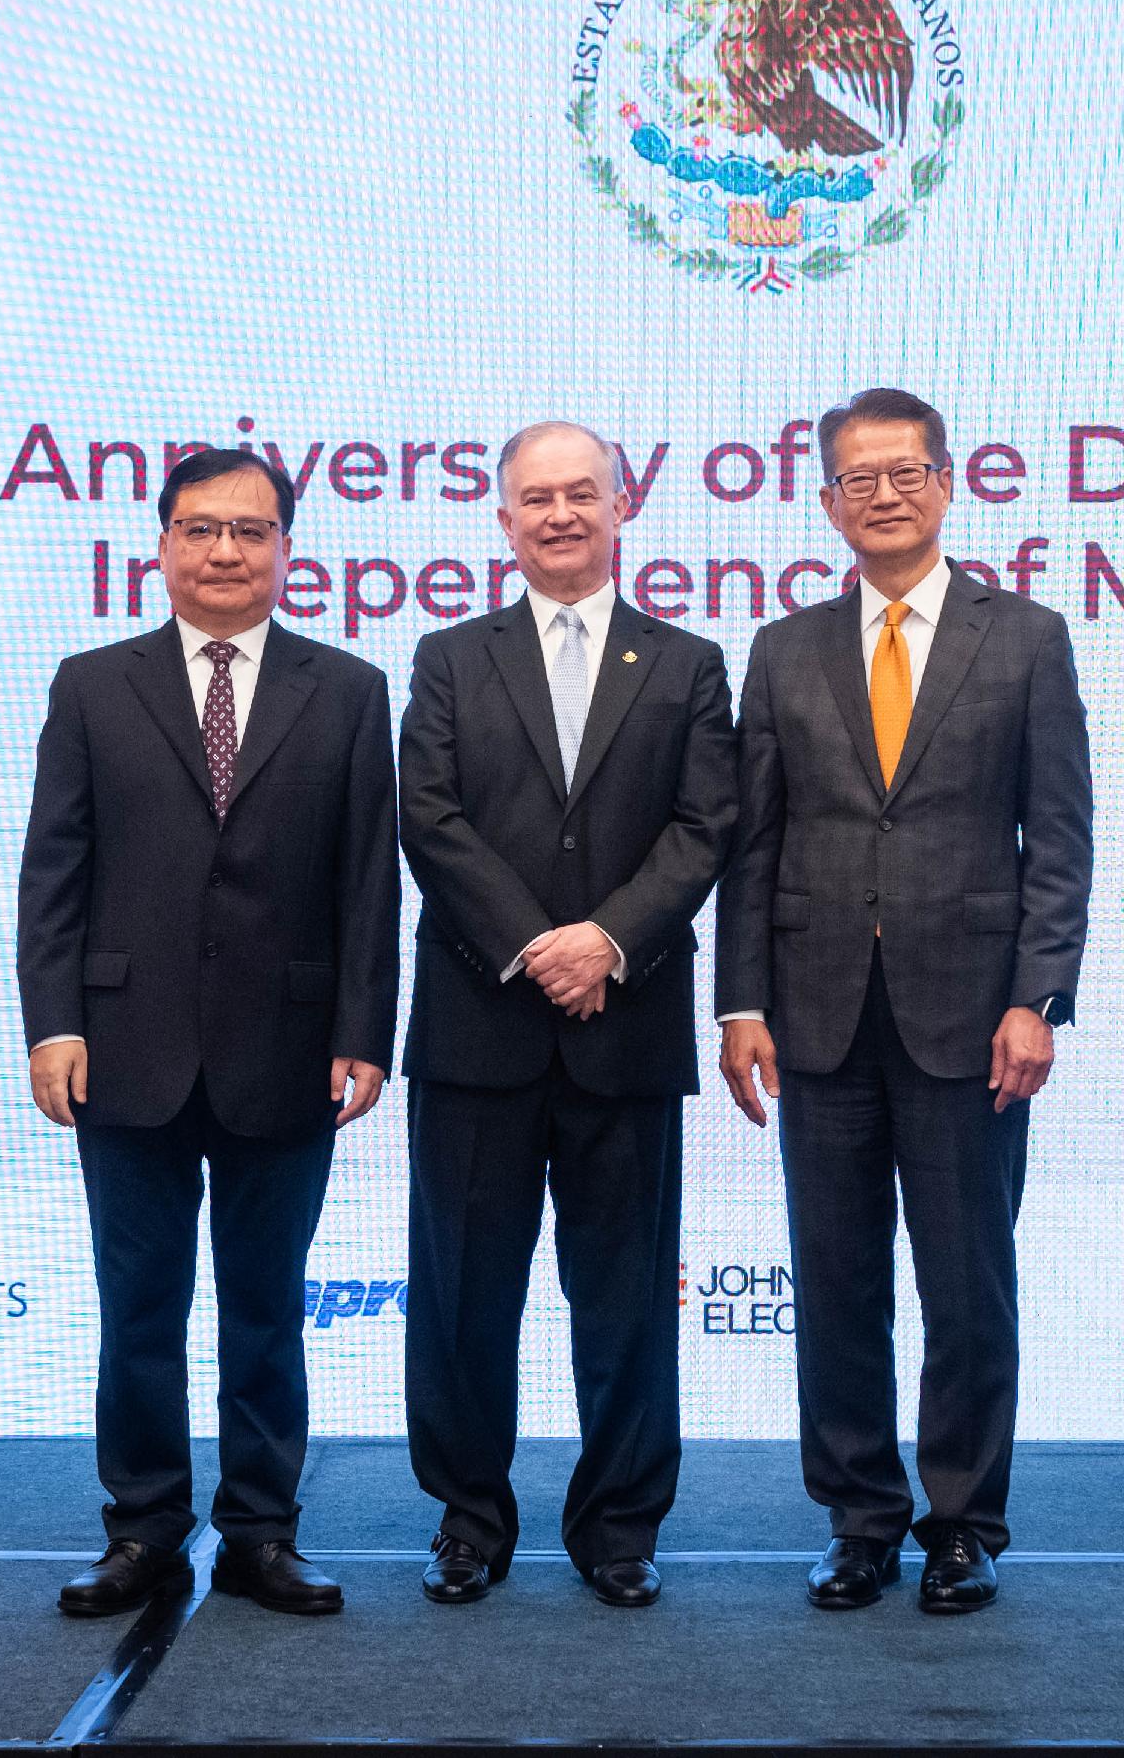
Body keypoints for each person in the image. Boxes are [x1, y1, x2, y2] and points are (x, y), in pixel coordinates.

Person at [718, 387, 1091, 1617]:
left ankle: (962, 1523)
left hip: (970, 1018)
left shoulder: (1025, 636)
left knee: (966, 1282)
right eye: (855, 477)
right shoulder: (782, 648)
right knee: (833, 1284)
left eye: (903, 471)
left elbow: (1059, 839)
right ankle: (860, 1518)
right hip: (818, 1015)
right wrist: (741, 1003)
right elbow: (752, 846)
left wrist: (1039, 995)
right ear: (827, 501)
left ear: (946, 481)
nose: (881, 493)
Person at [19, 447, 398, 1619]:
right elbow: (55, 870)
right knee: (137, 1309)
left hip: (286, 1050)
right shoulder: (92, 684)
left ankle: (260, 1533)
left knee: (265, 1305)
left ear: (286, 547)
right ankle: (140, 1530)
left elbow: (365, 882)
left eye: (249, 529)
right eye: (199, 529)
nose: (224, 551)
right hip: (123, 1051)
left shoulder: (344, 689)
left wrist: (363, 1031)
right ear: (163, 545)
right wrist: (52, 1024)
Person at [394, 422, 736, 1609]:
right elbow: (428, 817)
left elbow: (704, 827)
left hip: (624, 1027)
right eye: (534, 498)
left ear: (621, 505)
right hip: (477, 1027)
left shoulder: (687, 663)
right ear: (502, 520)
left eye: (579, 494)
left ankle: (618, 1528)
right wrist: (538, 945)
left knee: (628, 1301)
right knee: (460, 1297)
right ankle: (467, 1519)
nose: (558, 515)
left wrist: (610, 941)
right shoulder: (446, 657)